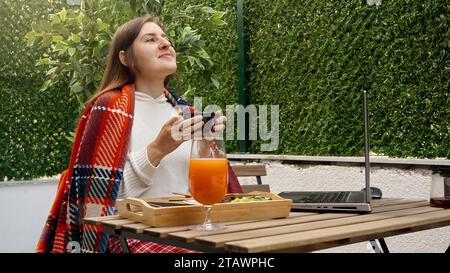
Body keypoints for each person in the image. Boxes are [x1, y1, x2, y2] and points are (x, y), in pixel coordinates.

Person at [36, 16, 243, 253]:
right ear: (125, 58)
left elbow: (206, 194)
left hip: (189, 232)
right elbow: (99, 205)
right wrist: (157, 150)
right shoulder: (107, 109)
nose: (166, 44)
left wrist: (205, 148)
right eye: (150, 39)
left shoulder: (187, 113)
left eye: (166, 38)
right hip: (130, 237)